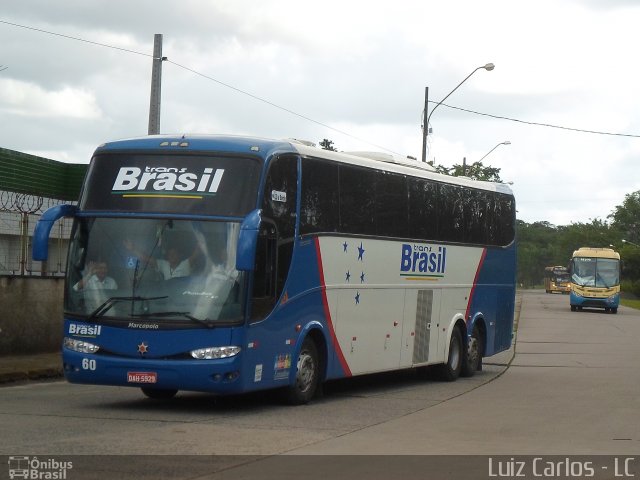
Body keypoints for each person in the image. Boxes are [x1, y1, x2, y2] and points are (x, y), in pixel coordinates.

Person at [124, 239, 199, 280]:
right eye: (169, 254)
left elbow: (197, 253)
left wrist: (201, 241)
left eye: (174, 254)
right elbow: (147, 259)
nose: (171, 256)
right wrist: (133, 249)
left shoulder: (186, 264)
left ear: (179, 255)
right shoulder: (164, 265)